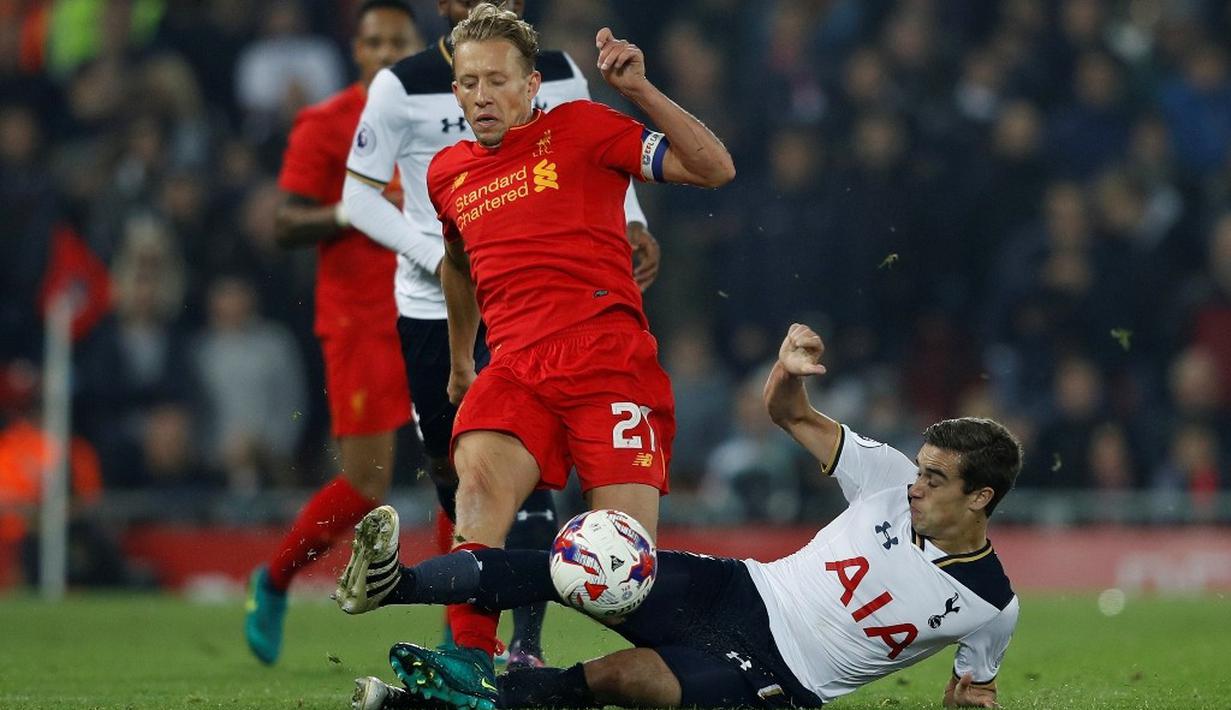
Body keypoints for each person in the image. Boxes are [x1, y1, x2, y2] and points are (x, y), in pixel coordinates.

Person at [347, 323, 1021, 710]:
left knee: (616, 677)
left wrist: (965, 699)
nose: (914, 486)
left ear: (979, 497)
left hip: (781, 678)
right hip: (740, 589)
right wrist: (788, 370)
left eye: (934, 479)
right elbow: (788, 413)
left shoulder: (991, 606)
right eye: (919, 469)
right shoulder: (887, 477)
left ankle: (430, 706)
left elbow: (971, 690)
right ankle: (393, 583)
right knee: (580, 565)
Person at [340, 0, 662, 669]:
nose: (482, 94)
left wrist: (631, 218)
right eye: (471, 83)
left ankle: (517, 648)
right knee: (458, 481)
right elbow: (359, 196)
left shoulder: (561, 73)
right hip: (436, 307)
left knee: (528, 487)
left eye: (495, 81)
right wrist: (432, 259)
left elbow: (600, 152)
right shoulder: (401, 85)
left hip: (547, 312)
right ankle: (470, 643)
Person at [243, 0, 421, 666]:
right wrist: (354, 210)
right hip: (361, 320)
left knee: (462, 468)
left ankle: (464, 636)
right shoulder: (326, 123)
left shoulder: (443, 115)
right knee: (368, 482)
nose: (385, 52)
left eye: (397, 41)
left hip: (439, 311)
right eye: (374, 41)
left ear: (416, 46)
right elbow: (285, 224)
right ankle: (276, 577)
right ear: (356, 50)